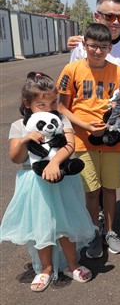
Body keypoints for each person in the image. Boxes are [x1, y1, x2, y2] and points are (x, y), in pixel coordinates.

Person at [0, 72, 95, 291]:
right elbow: (15, 158)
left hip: (61, 181)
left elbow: (69, 145)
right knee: (41, 226)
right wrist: (25, 138)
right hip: (34, 184)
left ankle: (72, 264)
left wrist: (55, 164)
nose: (49, 108)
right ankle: (45, 268)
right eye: (41, 104)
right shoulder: (19, 125)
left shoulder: (60, 120)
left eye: (53, 102)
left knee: (65, 223)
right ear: (28, 103)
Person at [68, 0, 120, 241]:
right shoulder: (82, 47)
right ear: (97, 16)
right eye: (110, 16)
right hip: (91, 129)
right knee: (95, 182)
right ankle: (99, 221)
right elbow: (73, 92)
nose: (115, 22)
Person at [57, 23, 120, 257]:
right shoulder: (71, 70)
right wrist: (85, 125)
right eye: (93, 46)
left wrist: (118, 120)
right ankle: (93, 233)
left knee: (110, 189)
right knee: (91, 191)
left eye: (103, 47)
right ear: (84, 45)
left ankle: (110, 231)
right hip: (82, 141)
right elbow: (60, 106)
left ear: (110, 47)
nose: (97, 51)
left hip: (111, 142)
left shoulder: (119, 72)